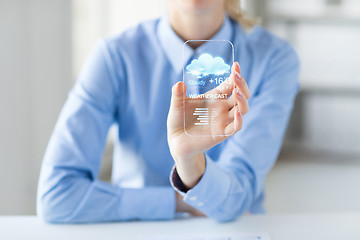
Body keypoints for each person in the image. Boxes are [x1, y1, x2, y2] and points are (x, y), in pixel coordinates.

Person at [37, 0, 299, 223]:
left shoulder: (274, 58)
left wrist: (190, 161)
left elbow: (236, 199)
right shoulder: (114, 57)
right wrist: (179, 202)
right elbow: (56, 196)